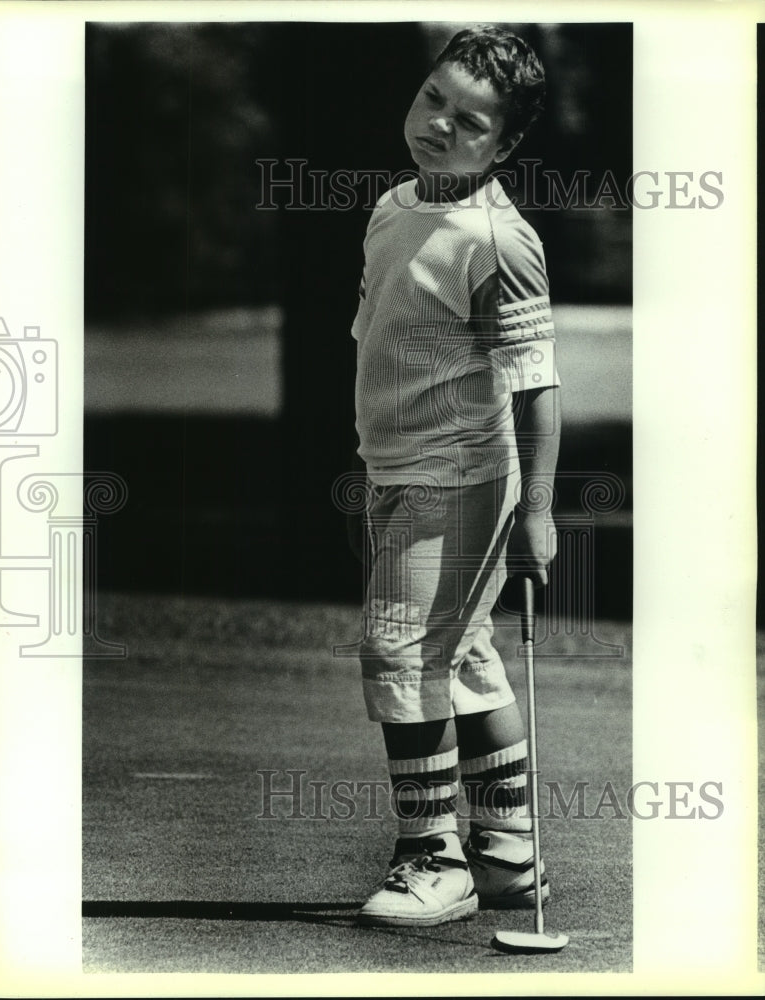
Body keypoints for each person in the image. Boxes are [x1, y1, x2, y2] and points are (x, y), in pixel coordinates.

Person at [348, 25, 561, 927]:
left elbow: (537, 387)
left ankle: (432, 858)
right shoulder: (394, 206)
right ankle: (509, 855)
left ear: (504, 146)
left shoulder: (498, 240)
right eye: (433, 99)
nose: (439, 125)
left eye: (469, 121)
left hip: (463, 474)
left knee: (399, 651)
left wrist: (538, 511)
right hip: (394, 467)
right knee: (462, 657)